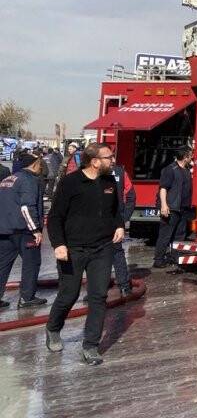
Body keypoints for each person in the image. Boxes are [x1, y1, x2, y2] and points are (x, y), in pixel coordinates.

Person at [45, 142, 125, 366]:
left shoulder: (109, 181)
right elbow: (55, 217)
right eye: (109, 157)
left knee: (98, 296)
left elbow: (114, 210)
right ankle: (53, 328)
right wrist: (58, 244)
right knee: (68, 295)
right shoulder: (70, 182)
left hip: (102, 248)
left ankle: (90, 346)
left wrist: (119, 225)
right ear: (95, 161)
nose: (113, 161)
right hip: (73, 249)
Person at [0, 150, 47, 309]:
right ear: (34, 164)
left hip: (5, 230)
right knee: (31, 263)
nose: (42, 167)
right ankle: (27, 297)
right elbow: (27, 207)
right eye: (40, 163)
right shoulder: (29, 180)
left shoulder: (8, 179)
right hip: (24, 230)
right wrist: (35, 230)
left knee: (3, 264)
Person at [152, 148, 193, 269]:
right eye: (190, 155)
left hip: (183, 208)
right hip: (171, 208)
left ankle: (175, 258)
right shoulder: (170, 169)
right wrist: (164, 205)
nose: (192, 158)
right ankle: (158, 260)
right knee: (165, 235)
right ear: (185, 157)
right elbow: (163, 188)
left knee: (179, 235)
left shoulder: (186, 170)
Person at [109, 158, 136, 295]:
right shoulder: (120, 171)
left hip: (109, 222)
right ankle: (124, 286)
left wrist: (123, 218)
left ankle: (122, 285)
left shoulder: (119, 172)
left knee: (105, 254)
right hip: (114, 222)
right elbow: (131, 196)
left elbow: (131, 195)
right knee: (115, 252)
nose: (113, 159)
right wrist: (123, 218)